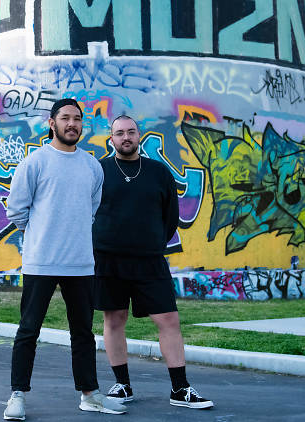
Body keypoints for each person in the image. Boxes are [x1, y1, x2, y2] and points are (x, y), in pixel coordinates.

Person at [3, 99, 127, 420]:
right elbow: (17, 210)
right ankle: (17, 396)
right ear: (52, 123)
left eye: (77, 119)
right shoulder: (36, 162)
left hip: (80, 263)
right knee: (28, 330)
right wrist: (43, 231)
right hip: (41, 261)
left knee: (83, 333)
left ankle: (90, 394)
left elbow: (92, 207)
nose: (72, 124)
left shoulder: (91, 166)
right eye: (65, 118)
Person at [92, 115, 214, 409]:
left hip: (149, 259)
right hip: (108, 258)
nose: (125, 137)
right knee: (114, 319)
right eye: (119, 133)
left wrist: (153, 240)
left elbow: (170, 216)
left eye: (131, 132)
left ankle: (180, 389)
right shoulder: (99, 171)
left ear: (139, 136)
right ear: (112, 140)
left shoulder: (159, 172)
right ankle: (122, 384)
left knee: (168, 319)